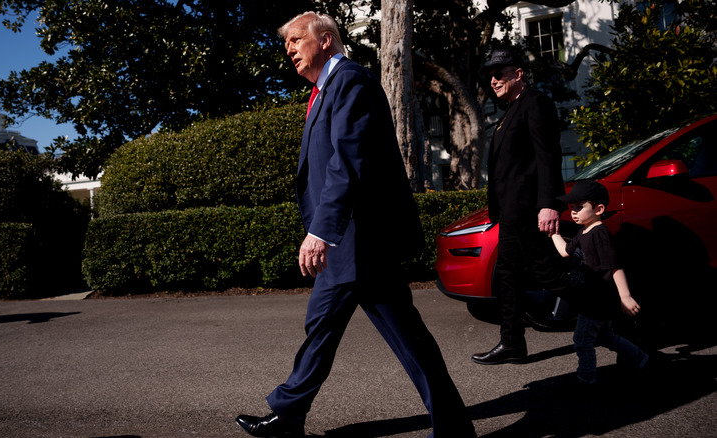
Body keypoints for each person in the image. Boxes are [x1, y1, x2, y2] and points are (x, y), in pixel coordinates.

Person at [234, 11, 476, 438]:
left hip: (361, 240)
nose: (288, 49)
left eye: (295, 39)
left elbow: (347, 163)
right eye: (286, 43)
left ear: (326, 40)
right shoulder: (325, 90)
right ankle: (289, 413)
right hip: (351, 243)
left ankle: (453, 429)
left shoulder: (349, 80)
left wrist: (321, 231)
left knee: (401, 335)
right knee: (328, 326)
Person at [471, 48, 567, 365]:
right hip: (510, 215)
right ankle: (512, 343)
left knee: (550, 275)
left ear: (519, 74)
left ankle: (615, 318)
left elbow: (548, 156)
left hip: (530, 212)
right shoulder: (510, 111)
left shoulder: (535, 103)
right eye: (490, 74)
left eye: (499, 73)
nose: (493, 79)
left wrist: (549, 205)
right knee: (508, 278)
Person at [551, 180, 649, 385]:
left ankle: (586, 378)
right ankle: (640, 357)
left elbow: (615, 266)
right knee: (605, 337)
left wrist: (625, 296)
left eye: (579, 207)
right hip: (592, 298)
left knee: (582, 340)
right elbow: (565, 252)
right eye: (572, 208)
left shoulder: (599, 234)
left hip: (597, 300)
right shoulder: (584, 231)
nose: (574, 212)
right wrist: (554, 234)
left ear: (599, 209)